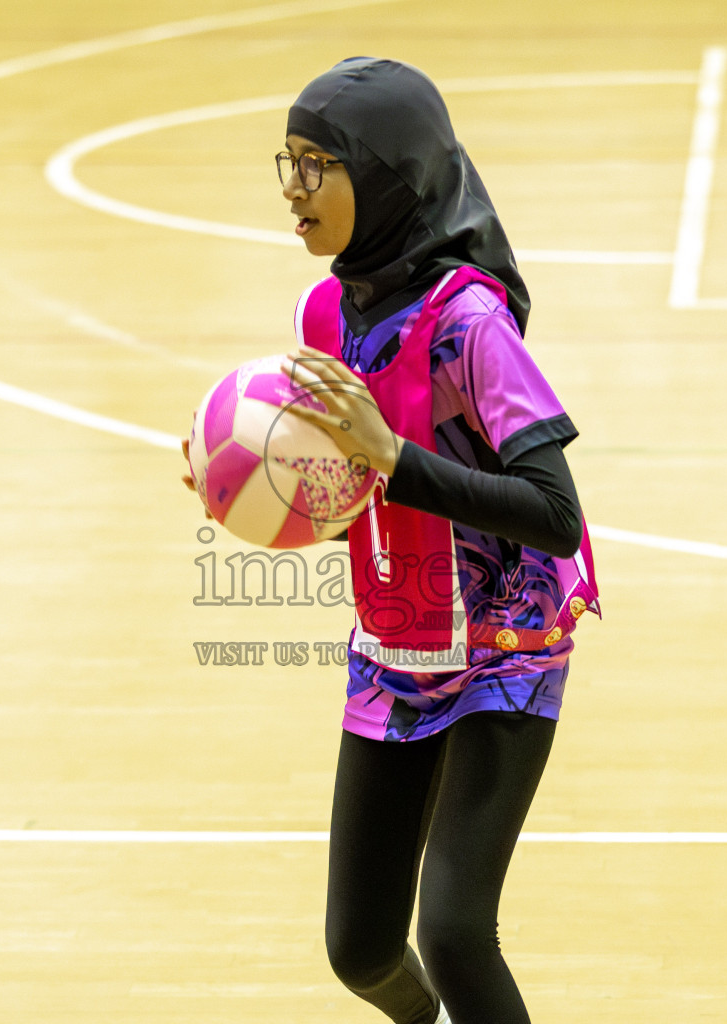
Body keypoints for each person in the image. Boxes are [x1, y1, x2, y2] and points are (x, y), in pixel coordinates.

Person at [184, 57, 599, 1024]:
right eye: (284, 161)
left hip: (508, 643)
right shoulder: (323, 313)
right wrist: (252, 488)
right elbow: (348, 491)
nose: (292, 189)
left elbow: (553, 511)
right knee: (360, 948)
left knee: (454, 930)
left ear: (386, 176)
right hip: (396, 640)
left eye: (317, 164)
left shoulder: (469, 324)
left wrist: (391, 454)